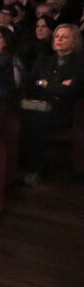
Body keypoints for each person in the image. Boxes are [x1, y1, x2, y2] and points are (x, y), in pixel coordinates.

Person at [19, 24, 84, 186]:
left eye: (64, 37)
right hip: (39, 104)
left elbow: (72, 91)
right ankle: (16, 165)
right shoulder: (44, 60)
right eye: (57, 36)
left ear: (74, 41)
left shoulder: (80, 64)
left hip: (63, 110)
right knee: (14, 112)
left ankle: (35, 169)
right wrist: (56, 85)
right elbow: (30, 83)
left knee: (33, 121)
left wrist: (46, 84)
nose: (59, 39)